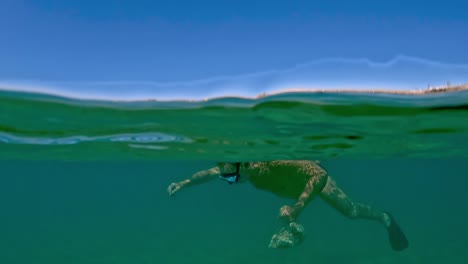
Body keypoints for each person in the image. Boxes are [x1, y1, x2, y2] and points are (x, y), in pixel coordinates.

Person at [167, 160, 408, 251]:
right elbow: (211, 173)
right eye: (228, 177)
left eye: (232, 177)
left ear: (249, 165)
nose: (230, 180)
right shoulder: (237, 169)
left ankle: (384, 218)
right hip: (294, 190)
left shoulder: (275, 163)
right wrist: (184, 183)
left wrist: (297, 207)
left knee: (352, 211)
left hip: (313, 183)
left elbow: (319, 174)